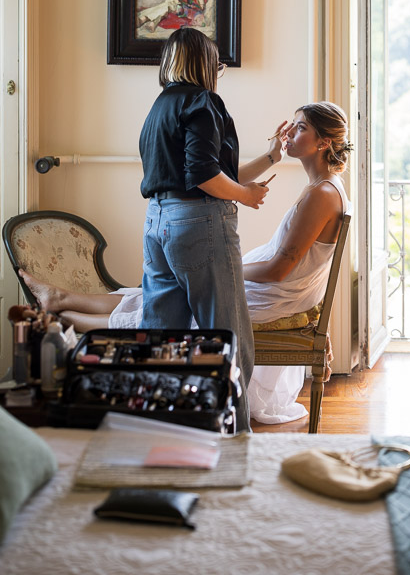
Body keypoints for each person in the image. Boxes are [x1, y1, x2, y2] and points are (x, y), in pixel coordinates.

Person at [20, 102, 351, 426]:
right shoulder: (324, 188)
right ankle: (60, 301)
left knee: (171, 306)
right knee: (158, 295)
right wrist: (270, 157)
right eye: (292, 124)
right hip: (276, 290)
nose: (289, 132)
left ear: (323, 143)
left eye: (301, 127)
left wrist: (228, 270)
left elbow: (279, 270)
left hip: (274, 296)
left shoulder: (321, 195)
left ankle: (61, 319)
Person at [137, 26, 278, 431]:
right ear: (205, 64)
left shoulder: (159, 107)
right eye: (217, 64)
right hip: (198, 224)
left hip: (157, 222)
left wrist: (272, 156)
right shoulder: (203, 100)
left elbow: (216, 173)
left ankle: (160, 431)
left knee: (162, 339)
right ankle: (235, 440)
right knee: (228, 338)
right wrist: (246, 197)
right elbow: (203, 177)